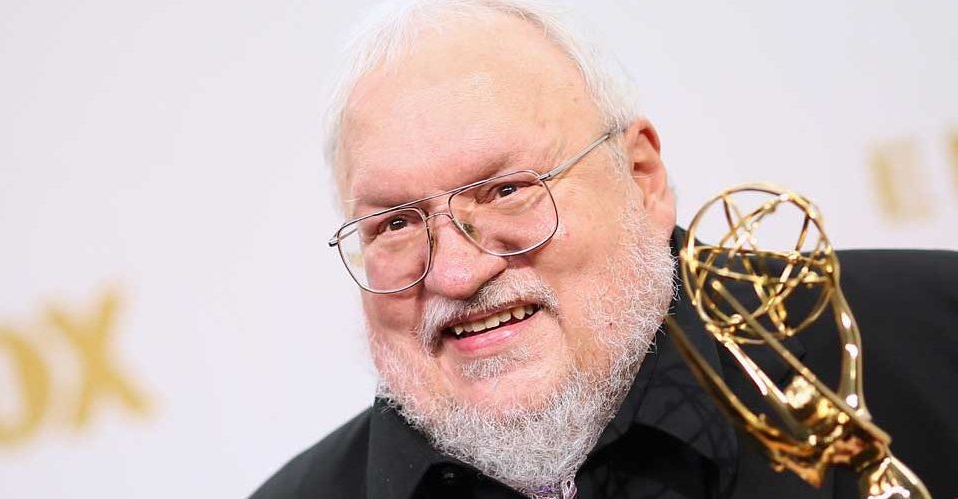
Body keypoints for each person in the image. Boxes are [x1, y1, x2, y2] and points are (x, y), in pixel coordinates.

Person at [251, 1, 958, 498]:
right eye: (397, 225)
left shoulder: (932, 338)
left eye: (504, 191)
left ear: (644, 181)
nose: (458, 271)